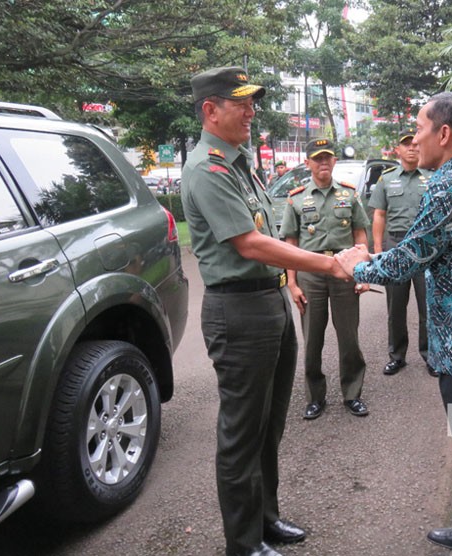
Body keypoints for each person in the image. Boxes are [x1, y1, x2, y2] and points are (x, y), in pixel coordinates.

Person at [335, 92, 452, 556]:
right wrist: (371, 258)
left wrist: (356, 265)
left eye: (419, 128)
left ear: (444, 133)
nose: (414, 138)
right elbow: (421, 251)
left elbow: (407, 260)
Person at [181, 66, 350, 556]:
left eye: (252, 102)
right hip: (239, 313)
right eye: (242, 103)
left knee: (270, 423)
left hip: (269, 301)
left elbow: (270, 240)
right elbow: (252, 244)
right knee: (241, 433)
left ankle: (266, 518)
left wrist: (292, 281)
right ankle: (243, 542)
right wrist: (328, 263)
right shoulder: (207, 168)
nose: (252, 112)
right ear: (211, 110)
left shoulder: (240, 164)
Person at [280, 138, 372, 420]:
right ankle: (315, 396)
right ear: (307, 163)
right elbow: (290, 245)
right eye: (317, 158)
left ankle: (352, 393)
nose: (323, 163)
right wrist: (292, 284)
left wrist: (362, 272)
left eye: (327, 158)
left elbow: (360, 235)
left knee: (349, 336)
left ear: (334, 161)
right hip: (310, 275)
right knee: (313, 339)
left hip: (344, 271)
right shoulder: (295, 199)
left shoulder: (349, 194)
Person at [368, 127, 435, 377]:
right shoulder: (386, 179)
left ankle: (431, 355)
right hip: (395, 247)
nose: (412, 148)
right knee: (395, 306)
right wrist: (378, 252)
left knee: (428, 304)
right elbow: (379, 215)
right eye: (406, 144)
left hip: (425, 248)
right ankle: (396, 355)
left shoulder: (432, 176)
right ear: (398, 149)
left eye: (415, 143)